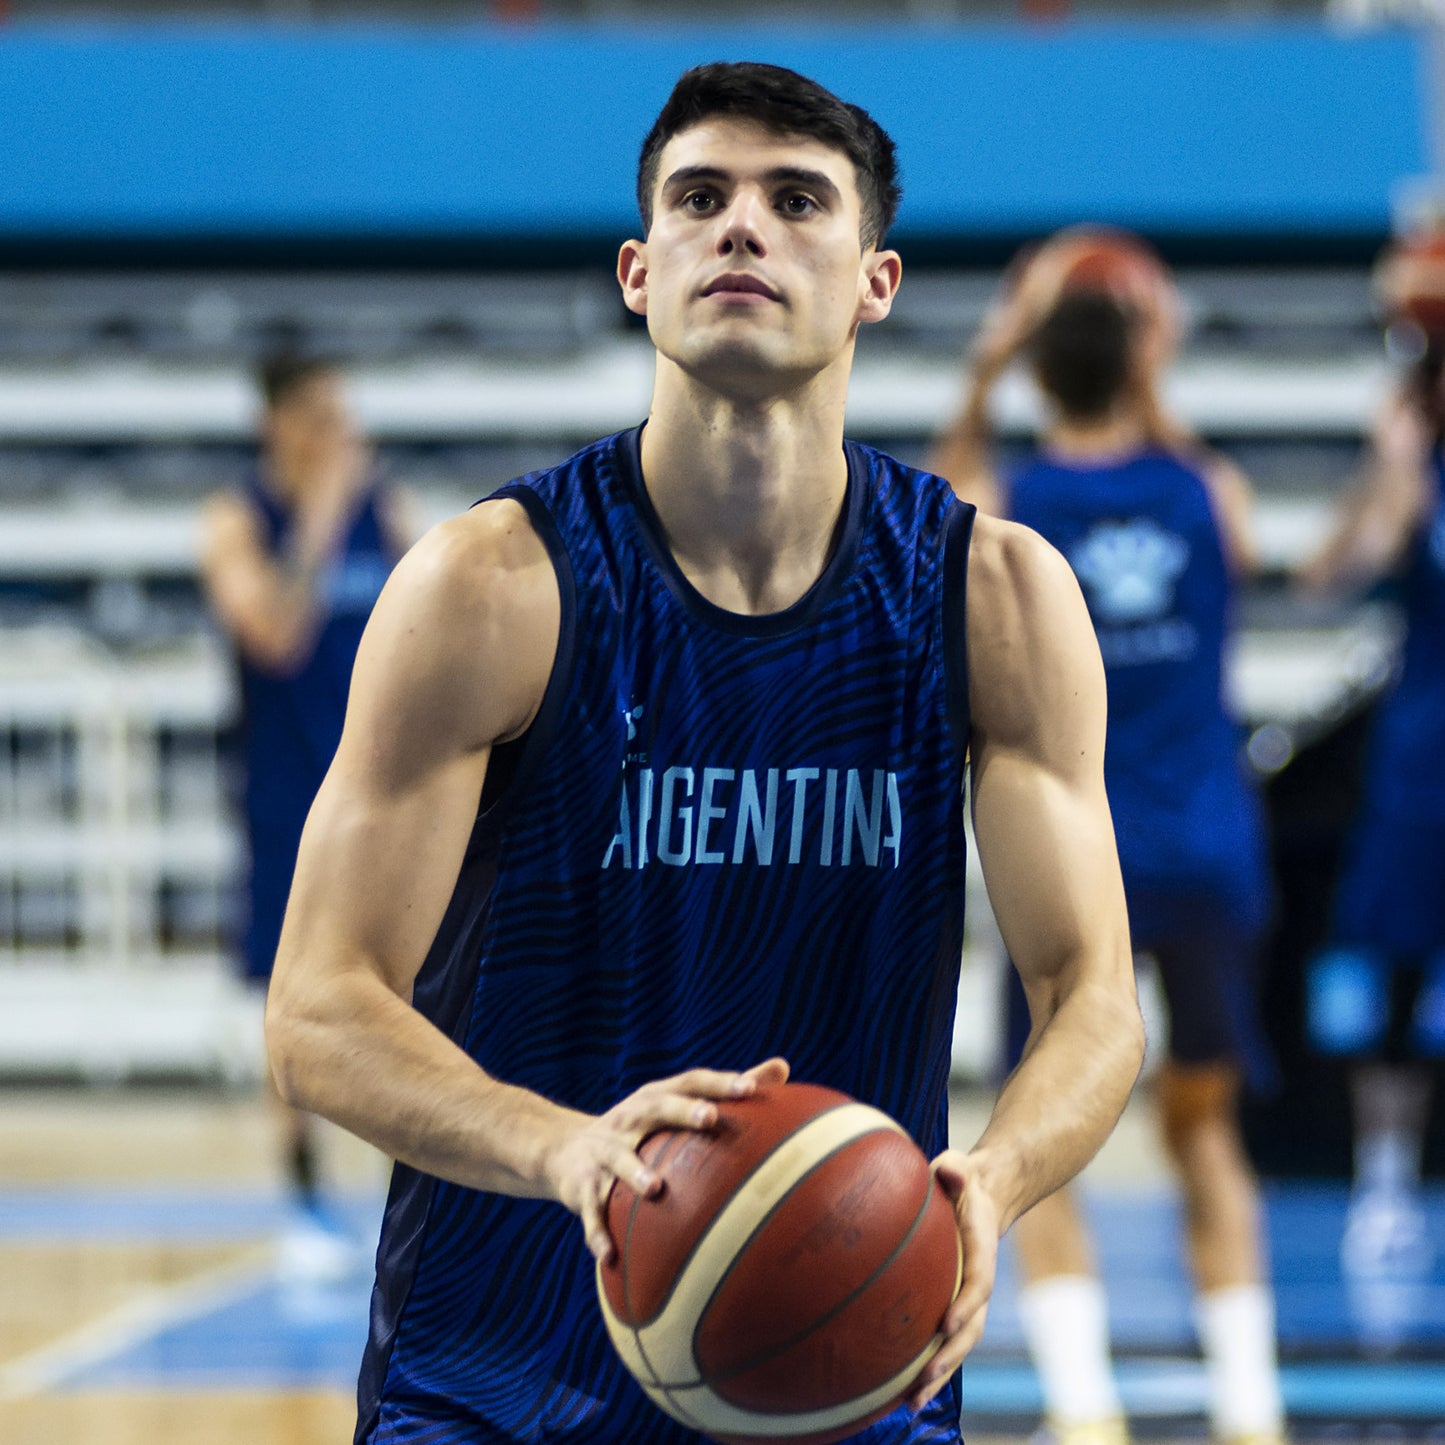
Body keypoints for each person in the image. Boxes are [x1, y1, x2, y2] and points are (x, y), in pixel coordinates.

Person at [264, 64, 1144, 1445]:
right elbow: (317, 1007)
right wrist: (563, 1148)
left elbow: (1092, 990)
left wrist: (998, 1175)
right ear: (637, 269)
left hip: (852, 1376)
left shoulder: (994, 600)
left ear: (876, 280)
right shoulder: (495, 588)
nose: (742, 227)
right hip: (497, 1381)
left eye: (797, 201)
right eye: (699, 198)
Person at [930, 230, 1287, 1445]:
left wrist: (991, 357)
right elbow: (1229, 524)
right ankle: (1250, 1406)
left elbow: (940, 484)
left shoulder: (1014, 514)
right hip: (1207, 848)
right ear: (1136, 366)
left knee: (1048, 1135)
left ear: (1037, 374)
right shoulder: (1203, 491)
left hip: (1078, 863)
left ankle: (1085, 1410)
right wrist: (1152, 374)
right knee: (1205, 1130)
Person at [199, 354, 418, 1271]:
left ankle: (411, 1195)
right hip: (284, 789)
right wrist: (324, 516)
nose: (339, 433)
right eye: (320, 414)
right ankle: (305, 1204)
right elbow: (276, 633)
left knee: (408, 988)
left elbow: (425, 622)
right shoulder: (235, 521)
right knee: (289, 994)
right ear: (277, 421)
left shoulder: (387, 509)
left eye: (344, 412)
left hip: (383, 792)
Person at [1297, 303, 1445, 1283]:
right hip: (1420, 765)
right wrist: (1390, 458)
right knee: (1382, 976)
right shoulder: (1412, 481)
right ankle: (1382, 1177)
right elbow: (1324, 576)